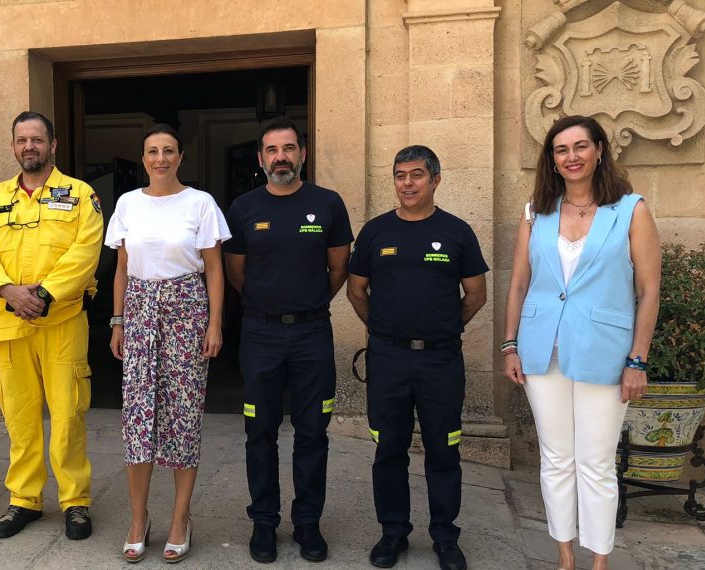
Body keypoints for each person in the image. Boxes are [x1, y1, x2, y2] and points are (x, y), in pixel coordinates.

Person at [503, 115, 659, 570]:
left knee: (596, 462)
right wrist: (510, 345)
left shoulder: (631, 209)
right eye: (560, 150)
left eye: (579, 147)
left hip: (605, 353)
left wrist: (638, 360)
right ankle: (565, 556)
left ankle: (600, 561)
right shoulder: (536, 212)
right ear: (551, 159)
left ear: (599, 151)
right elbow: (518, 284)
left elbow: (649, 290)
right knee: (556, 458)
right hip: (541, 349)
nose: (570, 157)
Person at [346, 145, 487, 570]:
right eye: (400, 175)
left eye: (417, 175)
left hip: (441, 361)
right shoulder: (375, 232)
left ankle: (445, 535)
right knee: (388, 449)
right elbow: (356, 290)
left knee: (444, 450)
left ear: (435, 180)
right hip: (388, 358)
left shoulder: (458, 232)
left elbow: (476, 295)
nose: (407, 183)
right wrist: (383, 330)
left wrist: (442, 329)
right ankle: (393, 532)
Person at [0, 111, 102, 541]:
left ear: (53, 145)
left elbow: (85, 252)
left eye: (37, 139)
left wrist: (42, 295)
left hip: (61, 320)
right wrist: (8, 290)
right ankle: (23, 499)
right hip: (9, 322)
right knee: (20, 418)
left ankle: (75, 502)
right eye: (22, 140)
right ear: (13, 146)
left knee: (67, 416)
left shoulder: (80, 195)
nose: (30, 146)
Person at [223, 116, 353, 563]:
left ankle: (307, 523)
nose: (281, 157)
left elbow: (339, 269)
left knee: (313, 431)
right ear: (261, 159)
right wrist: (268, 304)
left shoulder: (329, 204)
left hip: (312, 333)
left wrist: (307, 303)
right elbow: (235, 272)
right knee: (259, 430)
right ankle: (263, 523)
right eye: (273, 150)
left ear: (303, 153)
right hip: (259, 334)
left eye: (289, 148)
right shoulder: (242, 208)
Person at [106, 124, 230, 563]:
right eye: (153, 151)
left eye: (169, 151)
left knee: (182, 413)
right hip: (139, 310)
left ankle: (181, 518)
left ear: (181, 157)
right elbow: (121, 267)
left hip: (186, 308)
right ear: (143, 159)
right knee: (138, 417)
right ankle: (139, 520)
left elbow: (214, 268)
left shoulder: (200, 203)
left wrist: (215, 324)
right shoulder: (127, 204)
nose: (161, 158)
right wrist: (117, 321)